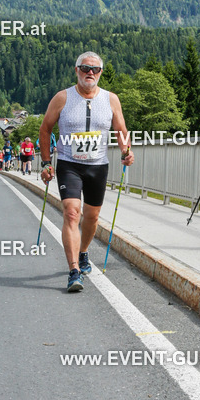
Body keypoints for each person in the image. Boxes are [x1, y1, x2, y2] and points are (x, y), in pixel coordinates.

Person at [39, 52, 134, 292]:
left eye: (95, 69)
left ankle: (83, 252)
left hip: (98, 165)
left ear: (101, 73)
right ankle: (74, 271)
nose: (89, 72)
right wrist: (46, 162)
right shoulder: (62, 98)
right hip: (69, 164)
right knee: (72, 213)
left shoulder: (111, 99)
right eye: (84, 68)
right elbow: (45, 129)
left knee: (91, 217)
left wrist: (126, 151)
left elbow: (121, 128)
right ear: (76, 70)